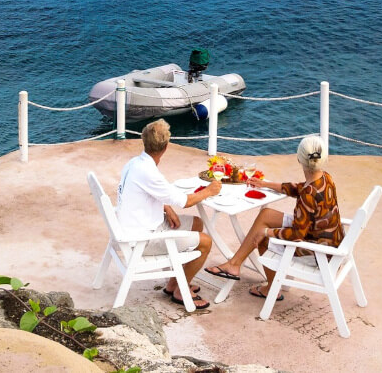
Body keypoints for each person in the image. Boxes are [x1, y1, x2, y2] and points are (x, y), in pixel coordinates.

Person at [206, 135, 343, 302]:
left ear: (299, 159)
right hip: (325, 238)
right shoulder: (324, 178)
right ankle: (235, 264)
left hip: (317, 251)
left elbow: (297, 235)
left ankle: (271, 289)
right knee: (267, 214)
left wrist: (266, 232)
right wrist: (265, 184)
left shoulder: (309, 194)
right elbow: (298, 188)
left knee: (263, 239)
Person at [117, 118, 221, 308]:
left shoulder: (134, 163)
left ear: (144, 140)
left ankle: (175, 283)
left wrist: (166, 206)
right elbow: (186, 201)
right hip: (142, 239)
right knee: (205, 242)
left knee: (197, 223)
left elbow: (150, 192)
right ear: (166, 147)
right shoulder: (149, 172)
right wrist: (210, 191)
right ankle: (181, 291)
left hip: (139, 225)